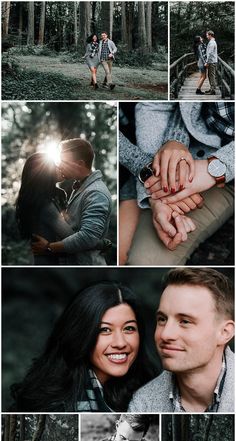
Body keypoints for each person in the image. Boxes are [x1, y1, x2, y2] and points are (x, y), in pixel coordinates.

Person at [11, 282, 156, 412]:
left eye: (129, 328)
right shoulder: (54, 406)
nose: (120, 343)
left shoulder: (151, 390)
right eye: (104, 330)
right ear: (81, 335)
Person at [119, 101, 234, 265]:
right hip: (174, 157)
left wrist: (215, 169)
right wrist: (158, 176)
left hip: (223, 174)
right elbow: (158, 106)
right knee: (130, 256)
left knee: (145, 261)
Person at [128, 268, 235, 413]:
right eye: (162, 319)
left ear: (224, 332)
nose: (166, 334)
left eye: (185, 321)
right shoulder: (144, 402)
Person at [32, 138, 113, 265]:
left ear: (79, 164)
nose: (59, 165)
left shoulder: (95, 193)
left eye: (63, 161)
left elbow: (87, 237)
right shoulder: (80, 188)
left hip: (85, 267)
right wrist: (102, 243)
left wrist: (49, 247)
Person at [16, 153, 74, 265]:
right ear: (47, 172)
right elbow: (71, 238)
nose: (59, 167)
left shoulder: (49, 198)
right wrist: (102, 244)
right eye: (55, 165)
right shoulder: (45, 206)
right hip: (50, 267)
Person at [205, 31, 218, 95]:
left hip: (211, 61)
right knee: (210, 75)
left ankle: (213, 90)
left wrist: (207, 62)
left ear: (210, 35)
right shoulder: (211, 42)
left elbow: (210, 53)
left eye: (207, 35)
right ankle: (211, 88)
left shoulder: (212, 43)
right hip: (211, 61)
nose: (206, 36)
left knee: (211, 76)